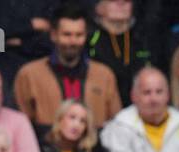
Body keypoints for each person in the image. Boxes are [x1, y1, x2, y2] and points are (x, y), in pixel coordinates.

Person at [14, 4, 122, 136]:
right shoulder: (29, 74)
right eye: (67, 34)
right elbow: (20, 126)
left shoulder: (104, 75)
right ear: (53, 35)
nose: (73, 41)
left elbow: (117, 126)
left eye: (79, 35)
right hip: (45, 151)